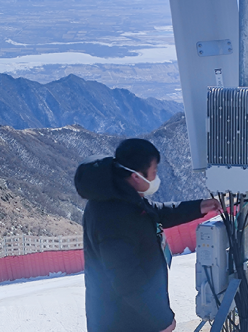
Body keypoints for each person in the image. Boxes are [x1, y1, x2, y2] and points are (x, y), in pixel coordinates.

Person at [74, 138, 220, 332]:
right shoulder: (112, 217)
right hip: (123, 320)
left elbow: (155, 213)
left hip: (135, 315)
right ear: (136, 176)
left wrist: (200, 206)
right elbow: (128, 280)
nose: (156, 178)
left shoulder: (123, 197)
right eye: (154, 172)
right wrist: (162, 320)